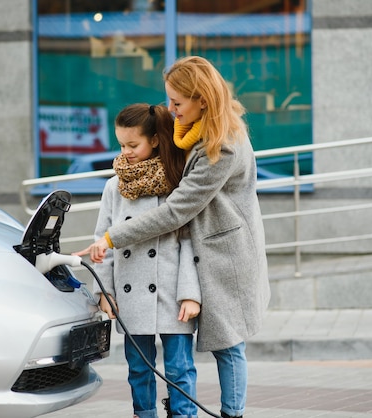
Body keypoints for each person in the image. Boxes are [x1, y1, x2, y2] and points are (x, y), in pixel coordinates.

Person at [75, 56, 271, 418]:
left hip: (222, 252)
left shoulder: (222, 146)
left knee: (227, 346)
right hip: (205, 249)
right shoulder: (194, 136)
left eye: (177, 103)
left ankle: (233, 414)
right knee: (178, 357)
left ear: (202, 100)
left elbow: (176, 212)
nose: (171, 109)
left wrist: (112, 238)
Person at [92, 103, 202, 418]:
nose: (125, 152)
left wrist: (191, 293)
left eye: (132, 145)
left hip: (173, 293)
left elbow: (189, 244)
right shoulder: (114, 186)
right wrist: (105, 292)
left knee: (180, 368)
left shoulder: (178, 182)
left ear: (154, 140)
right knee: (139, 368)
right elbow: (103, 239)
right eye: (121, 144)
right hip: (131, 294)